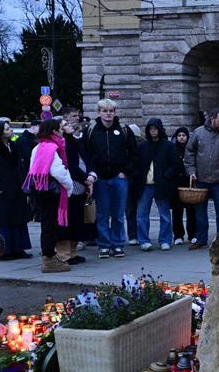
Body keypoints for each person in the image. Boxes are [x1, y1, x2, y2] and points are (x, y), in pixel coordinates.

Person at [83, 98, 137, 258]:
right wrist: (92, 173)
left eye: (111, 111)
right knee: (102, 214)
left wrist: (125, 171)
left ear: (115, 113)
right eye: (105, 111)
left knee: (119, 214)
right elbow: (86, 155)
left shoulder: (124, 130)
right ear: (99, 113)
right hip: (99, 179)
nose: (108, 114)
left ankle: (118, 244)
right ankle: (104, 245)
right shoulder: (91, 131)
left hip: (119, 178)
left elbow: (134, 154)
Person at [24, 119, 76, 273]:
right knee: (50, 226)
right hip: (50, 192)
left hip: (41, 190)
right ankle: (49, 259)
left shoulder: (39, 146)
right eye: (60, 128)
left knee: (47, 224)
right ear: (54, 131)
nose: (63, 131)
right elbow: (58, 171)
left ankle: (49, 257)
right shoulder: (52, 147)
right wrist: (70, 187)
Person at [0, 118, 32, 260]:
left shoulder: (13, 146)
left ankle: (18, 248)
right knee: (1, 220)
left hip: (16, 188)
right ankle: (3, 250)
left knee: (17, 218)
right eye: (7, 129)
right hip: (0, 191)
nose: (11, 131)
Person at [184, 107, 219, 251]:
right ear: (212, 119)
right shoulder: (198, 133)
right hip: (201, 179)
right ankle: (201, 239)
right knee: (200, 212)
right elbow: (189, 153)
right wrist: (191, 171)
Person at [134, 118, 180, 252]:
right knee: (142, 214)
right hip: (145, 185)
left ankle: (165, 240)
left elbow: (175, 164)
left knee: (164, 214)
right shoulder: (142, 146)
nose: (153, 131)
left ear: (159, 129)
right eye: (151, 129)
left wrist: (166, 176)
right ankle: (144, 240)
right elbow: (137, 164)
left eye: (155, 128)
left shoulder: (168, 146)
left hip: (161, 184)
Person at [57, 109, 94, 265]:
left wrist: (92, 175)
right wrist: (85, 178)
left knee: (77, 221)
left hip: (81, 186)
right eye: (66, 124)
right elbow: (70, 166)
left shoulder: (75, 141)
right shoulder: (62, 144)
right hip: (70, 186)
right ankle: (64, 254)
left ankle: (72, 252)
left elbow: (86, 159)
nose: (70, 124)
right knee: (68, 222)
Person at [170, 126, 198, 245]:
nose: (182, 138)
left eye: (184, 135)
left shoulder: (191, 149)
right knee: (177, 211)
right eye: (179, 135)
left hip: (189, 182)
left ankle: (192, 234)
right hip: (176, 183)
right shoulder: (172, 149)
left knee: (191, 211)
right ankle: (178, 235)